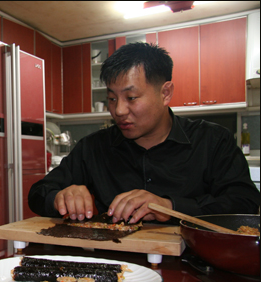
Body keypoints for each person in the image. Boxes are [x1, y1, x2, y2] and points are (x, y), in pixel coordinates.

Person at [28, 42, 259, 224]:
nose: (118, 110)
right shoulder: (93, 148)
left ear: (165, 93)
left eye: (131, 98)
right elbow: (38, 193)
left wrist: (170, 208)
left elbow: (244, 202)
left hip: (193, 265)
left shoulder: (212, 141)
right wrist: (61, 197)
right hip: (111, 267)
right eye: (111, 99)